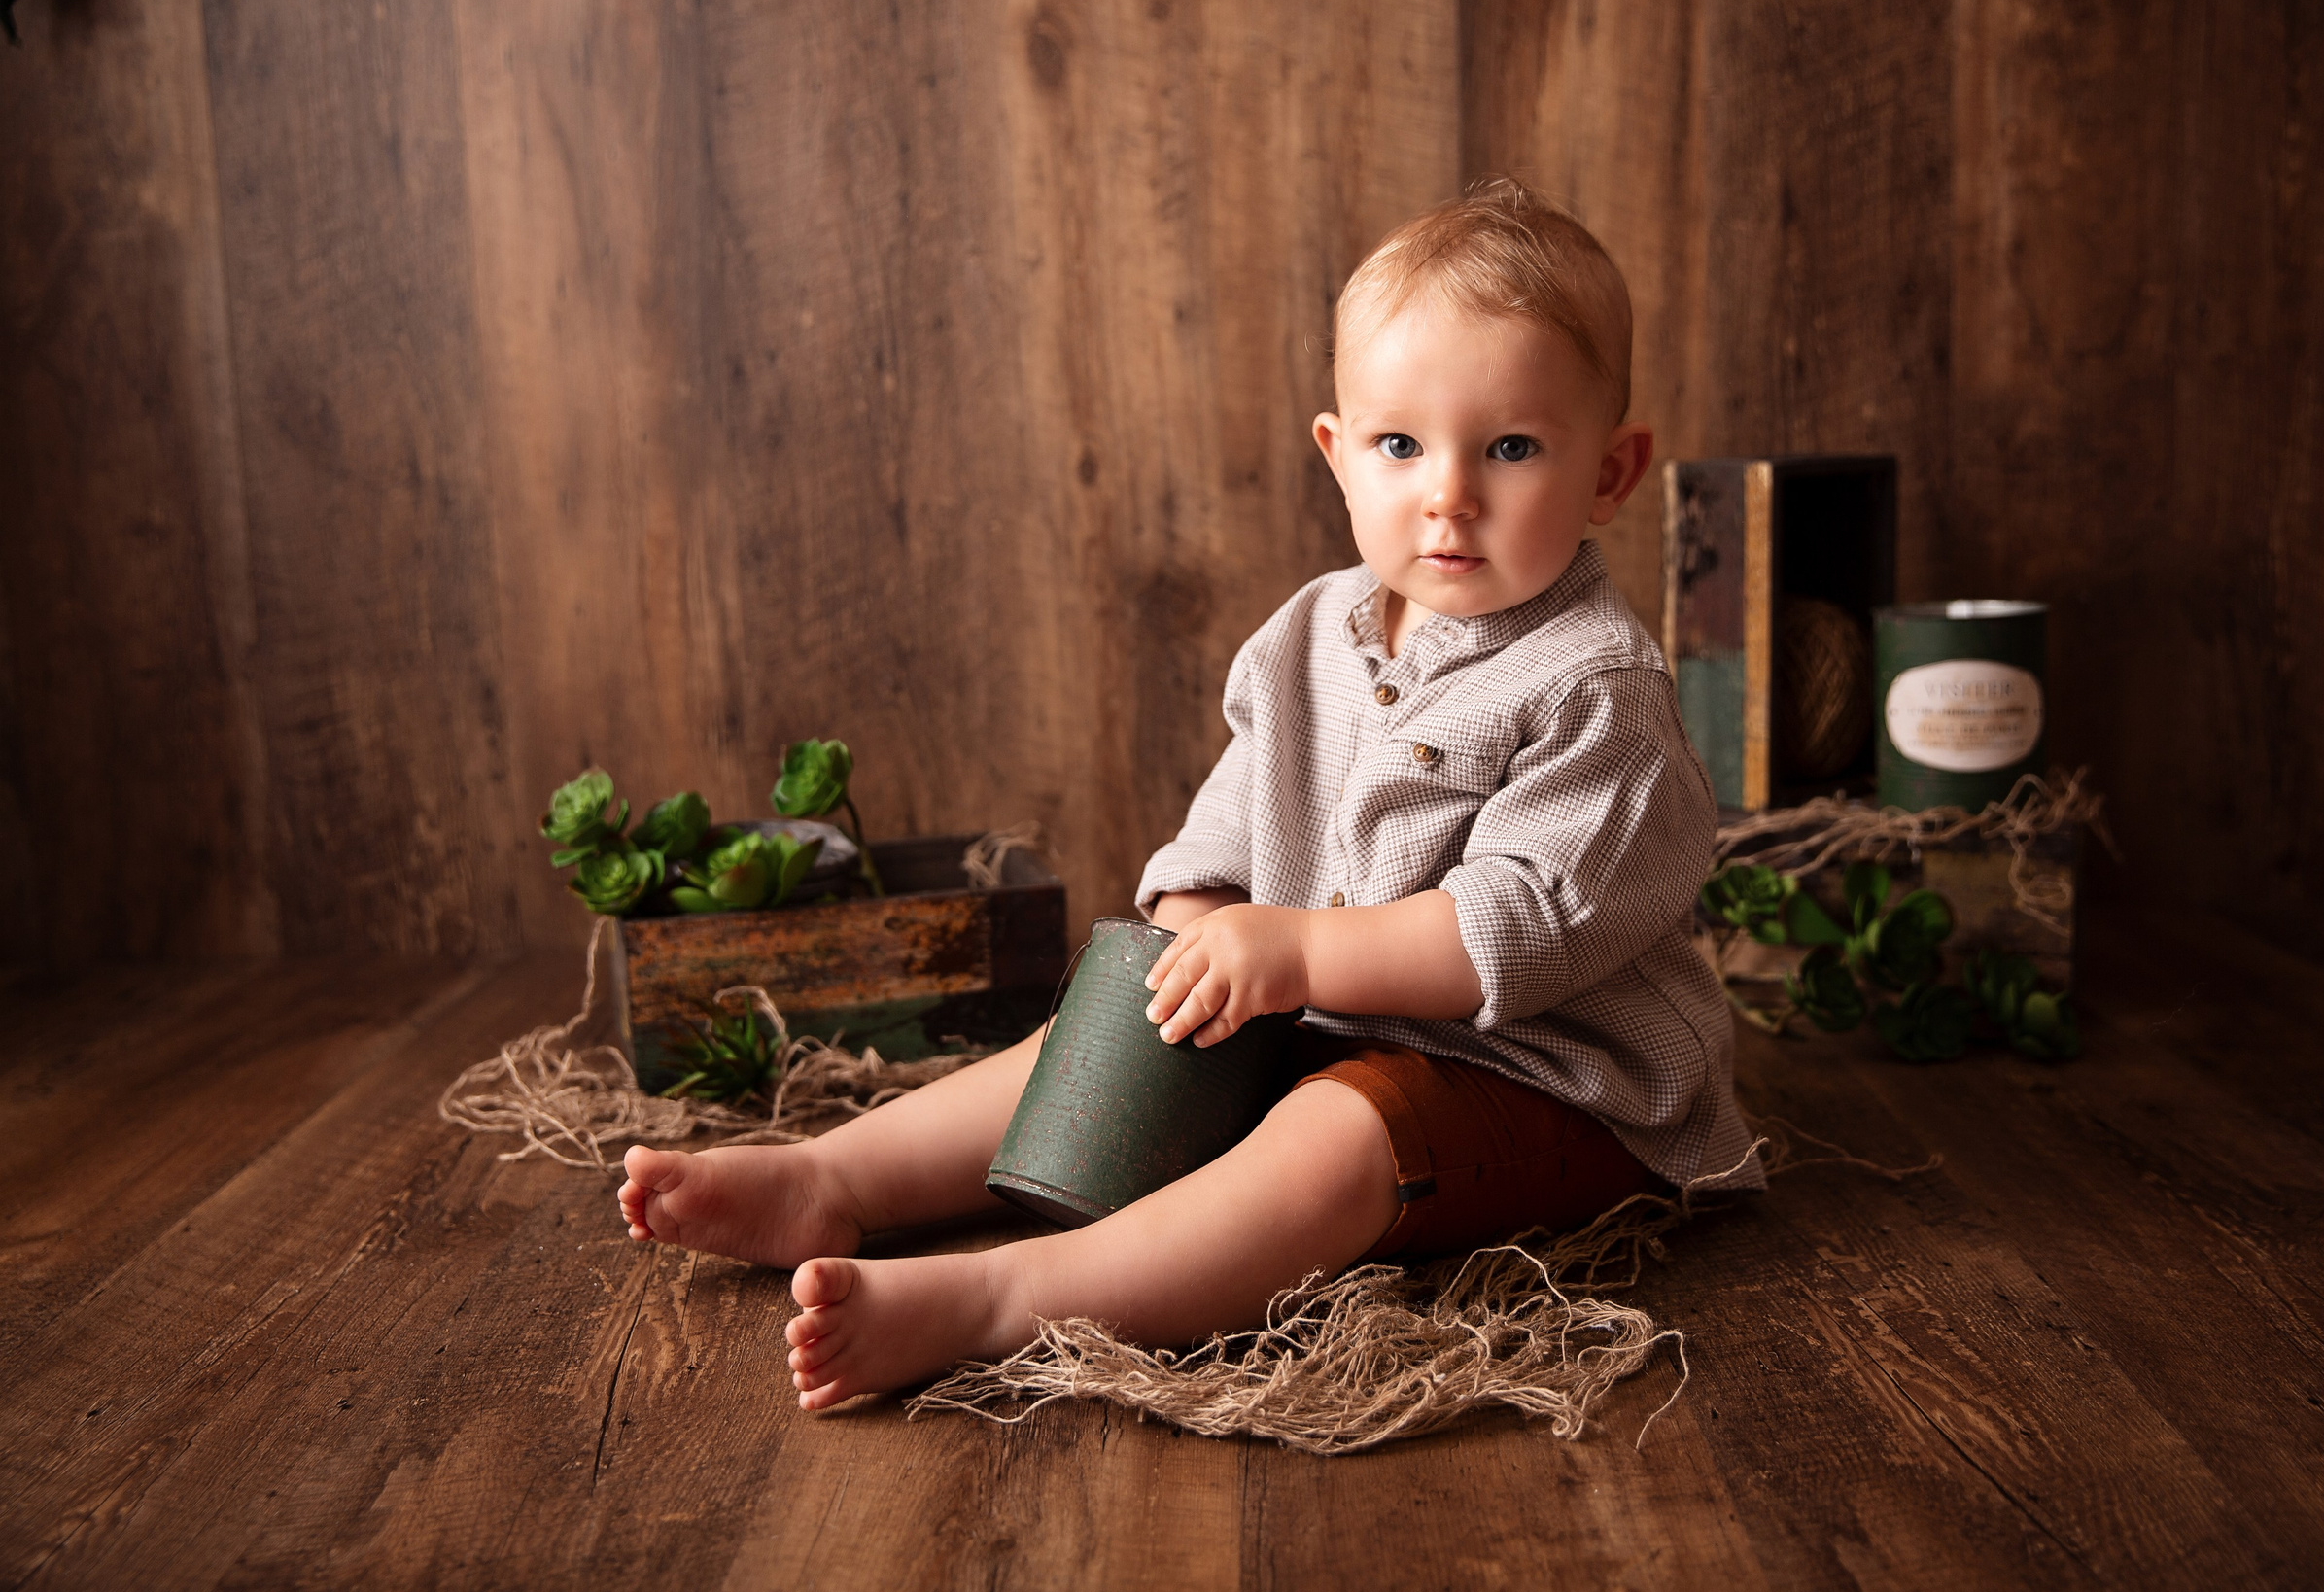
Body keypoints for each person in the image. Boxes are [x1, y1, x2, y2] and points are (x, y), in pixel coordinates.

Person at [616, 178, 1757, 1411]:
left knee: (1325, 1150)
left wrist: (1296, 952)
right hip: (1317, 1007)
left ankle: (1006, 1300)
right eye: (1400, 445)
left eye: (1512, 448)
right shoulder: (1313, 631)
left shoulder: (1598, 689)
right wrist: (1200, 922)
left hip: (1543, 1075)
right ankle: (837, 1178)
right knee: (1099, 1040)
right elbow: (1242, 802)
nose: (1449, 494)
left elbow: (1512, 931)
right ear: (1338, 454)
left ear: (1611, 471)